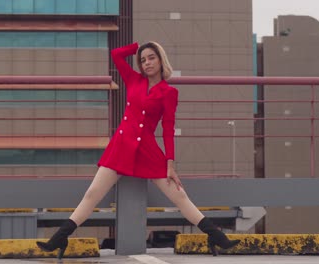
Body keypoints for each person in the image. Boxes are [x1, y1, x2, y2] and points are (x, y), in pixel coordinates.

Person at [36, 42, 241, 258]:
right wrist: (136, 47)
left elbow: (168, 129)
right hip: (121, 146)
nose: (147, 63)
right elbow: (116, 55)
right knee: (92, 194)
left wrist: (170, 163)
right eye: (143, 60)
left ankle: (216, 237)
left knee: (179, 196)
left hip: (148, 150)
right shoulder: (134, 80)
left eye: (152, 57)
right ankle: (59, 238)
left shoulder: (169, 92)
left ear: (161, 60)